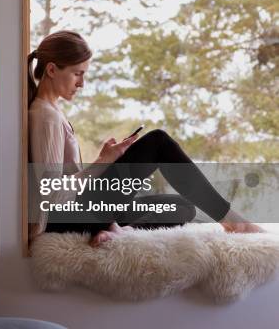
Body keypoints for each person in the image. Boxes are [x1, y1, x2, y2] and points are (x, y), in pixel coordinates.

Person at [27, 30, 263, 247]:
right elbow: (52, 195)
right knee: (157, 142)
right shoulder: (46, 116)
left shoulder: (53, 111)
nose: (82, 83)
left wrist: (104, 158)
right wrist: (103, 163)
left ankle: (121, 232)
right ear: (51, 70)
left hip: (80, 209)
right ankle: (234, 222)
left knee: (181, 207)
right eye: (77, 74)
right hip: (63, 218)